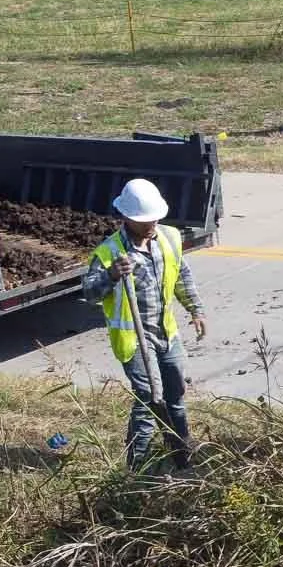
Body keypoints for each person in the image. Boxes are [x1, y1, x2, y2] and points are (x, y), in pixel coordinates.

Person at [80, 178, 208, 474]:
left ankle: (181, 452)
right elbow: (89, 295)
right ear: (126, 218)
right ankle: (136, 466)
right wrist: (111, 276)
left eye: (154, 218)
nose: (151, 224)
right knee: (150, 399)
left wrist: (195, 310)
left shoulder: (169, 238)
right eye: (144, 220)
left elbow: (181, 277)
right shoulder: (110, 252)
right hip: (135, 340)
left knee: (175, 395)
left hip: (167, 333)